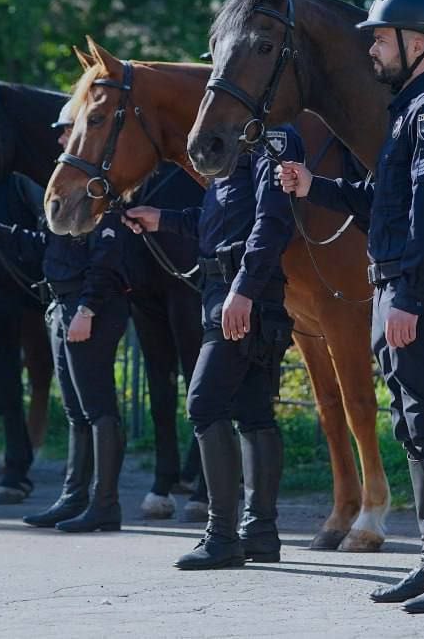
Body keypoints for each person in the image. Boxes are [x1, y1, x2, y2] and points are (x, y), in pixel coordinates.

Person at [277, 0, 424, 613]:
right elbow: (383, 206)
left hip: (415, 291)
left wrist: (410, 298)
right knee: (411, 427)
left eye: (381, 38)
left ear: (416, 42)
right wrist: (315, 185)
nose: (371, 47)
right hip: (393, 286)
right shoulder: (404, 116)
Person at [123, 125, 300, 570]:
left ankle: (222, 535)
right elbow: (214, 220)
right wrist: (159, 218)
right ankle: (260, 532)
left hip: (243, 292)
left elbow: (271, 223)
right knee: (254, 412)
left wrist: (242, 290)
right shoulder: (232, 146)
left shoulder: (272, 138)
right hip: (224, 289)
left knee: (203, 404)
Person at [0, 101, 131, 533]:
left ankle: (105, 503)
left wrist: (87, 309)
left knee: (98, 408)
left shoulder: (103, 193)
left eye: (65, 130)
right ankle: (74, 497)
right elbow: (46, 242)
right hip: (61, 307)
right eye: (62, 132)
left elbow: (106, 261)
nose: (60, 139)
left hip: (85, 308)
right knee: (76, 411)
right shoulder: (68, 192)